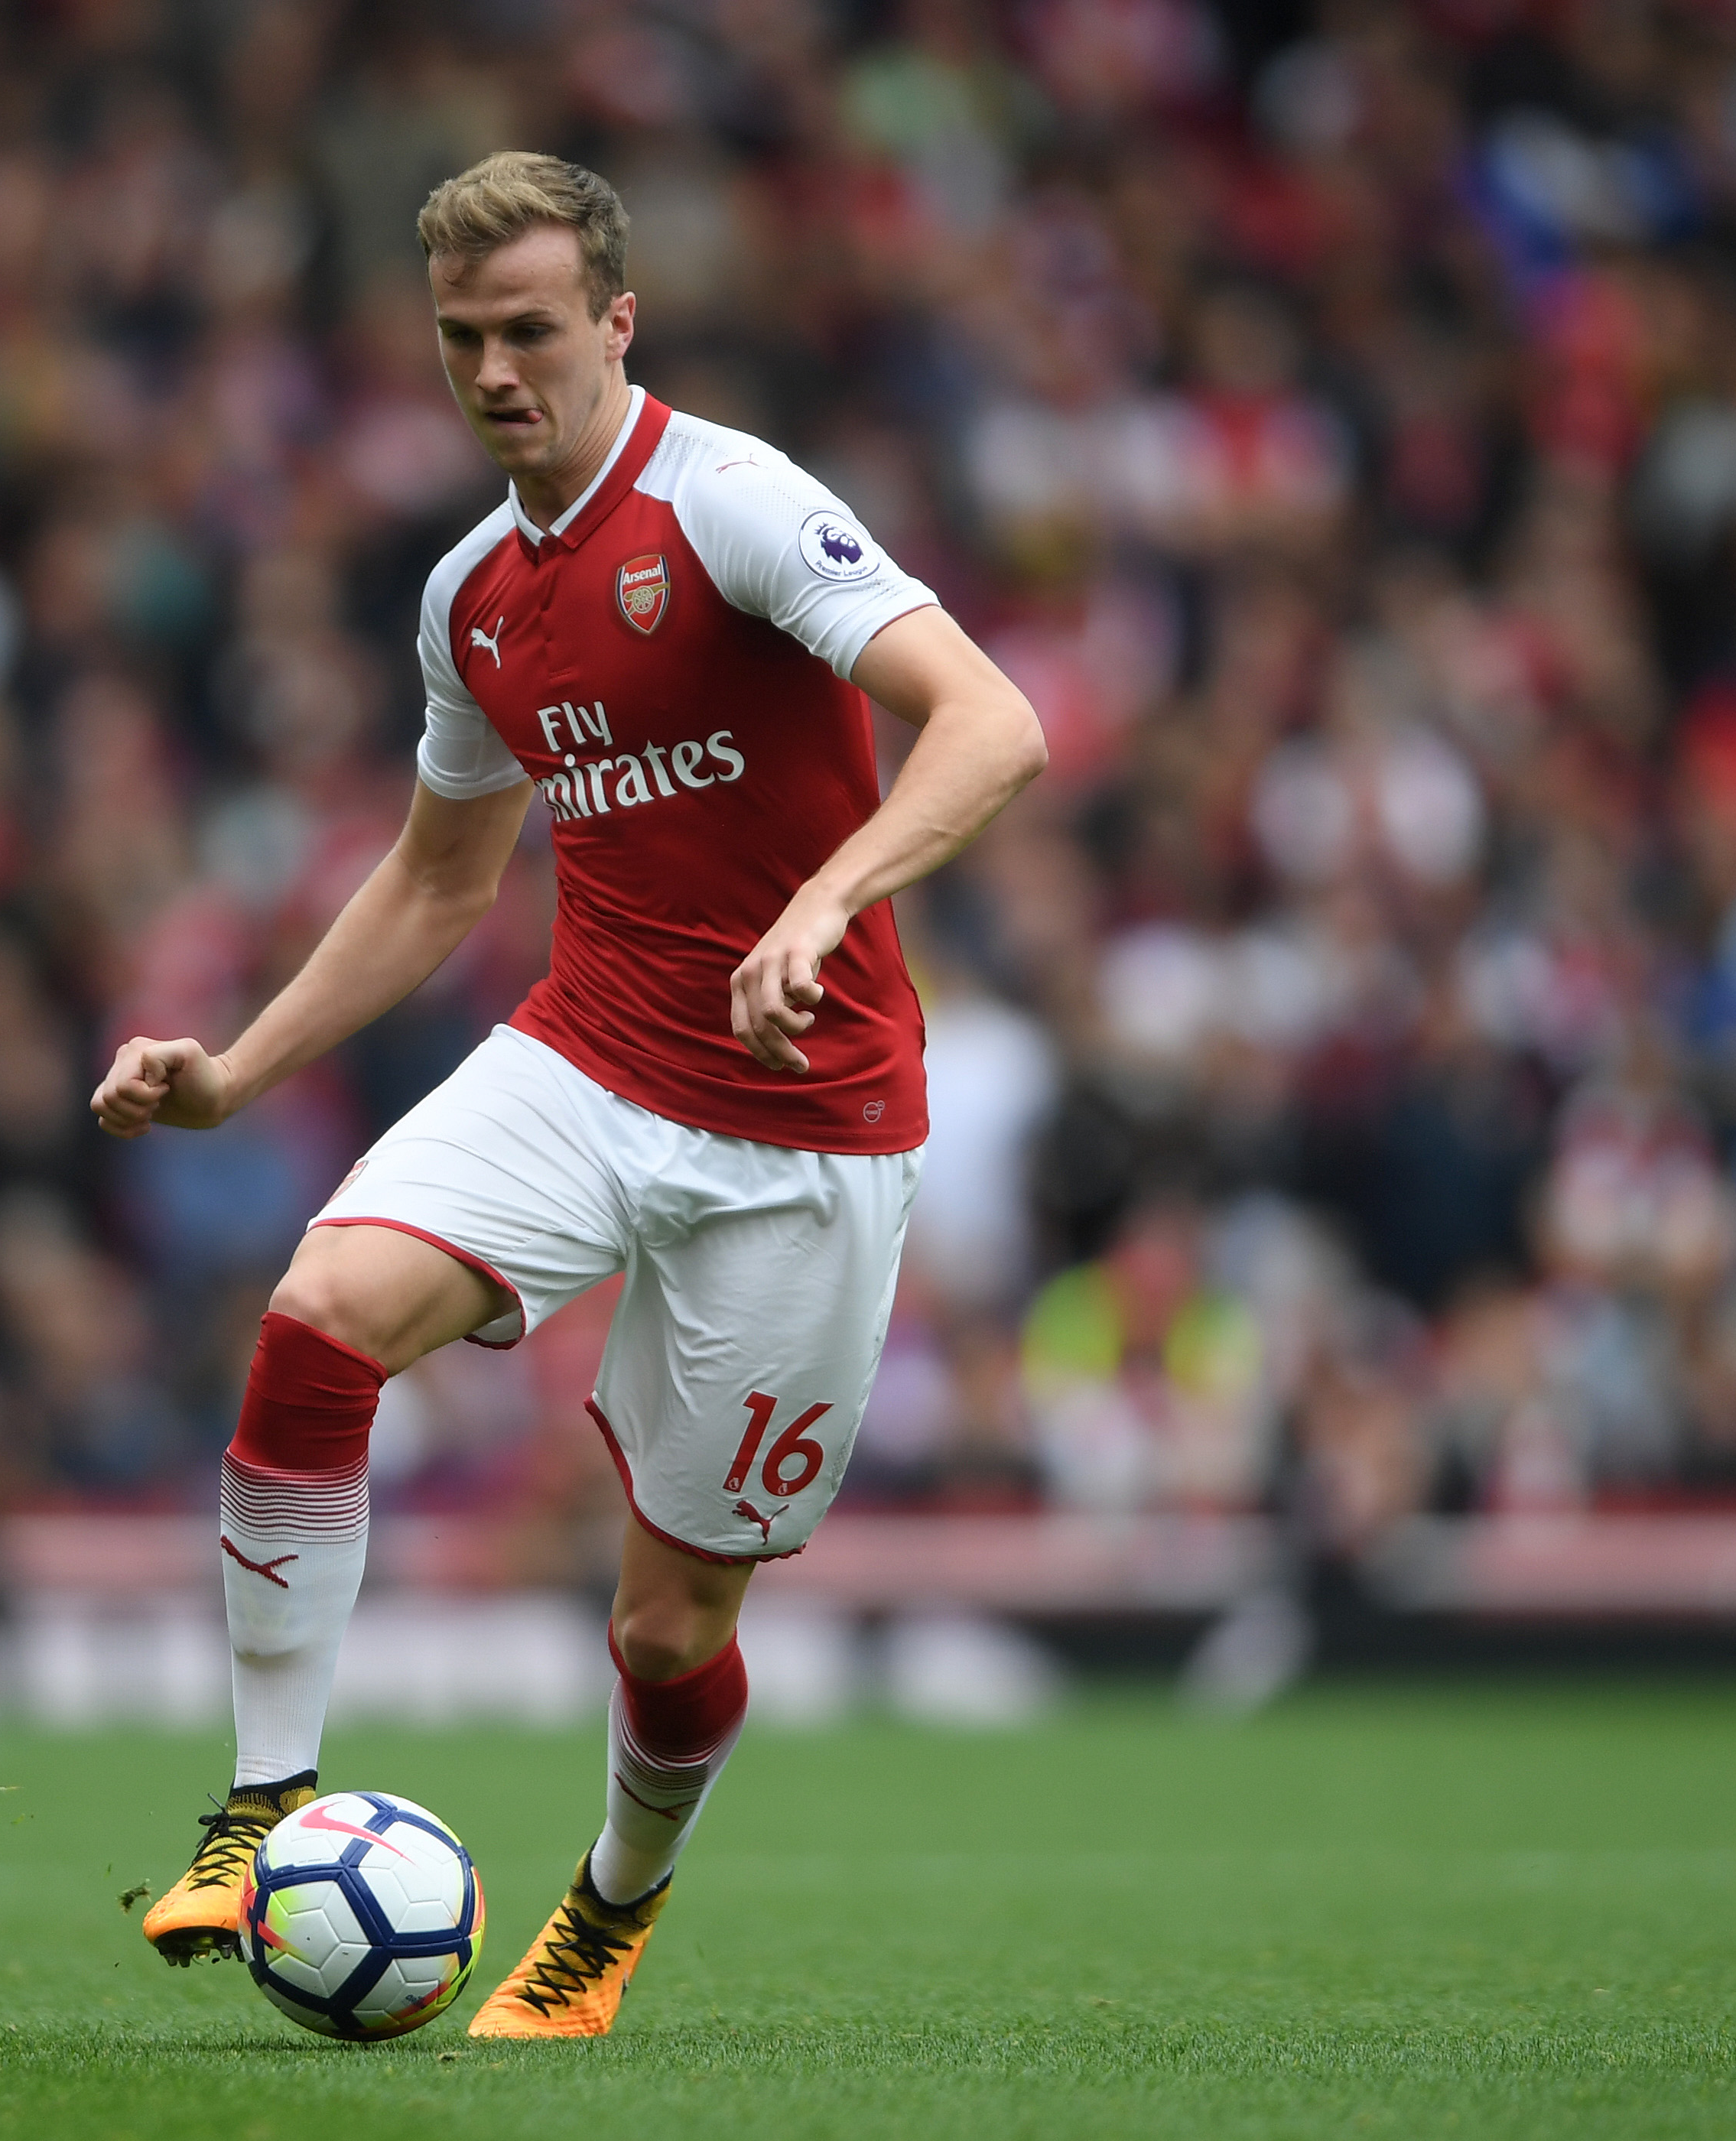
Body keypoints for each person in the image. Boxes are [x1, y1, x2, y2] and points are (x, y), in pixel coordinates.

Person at [92, 151, 1045, 2039]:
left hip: (808, 1125)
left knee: (667, 1628)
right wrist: (235, 1069)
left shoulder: (731, 501)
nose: (495, 369)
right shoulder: (472, 596)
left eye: (531, 328)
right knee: (318, 1312)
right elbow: (442, 878)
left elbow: (995, 722)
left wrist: (827, 897)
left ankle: (608, 1910)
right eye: (462, 337)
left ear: (617, 321)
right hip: (590, 1054)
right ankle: (261, 1808)